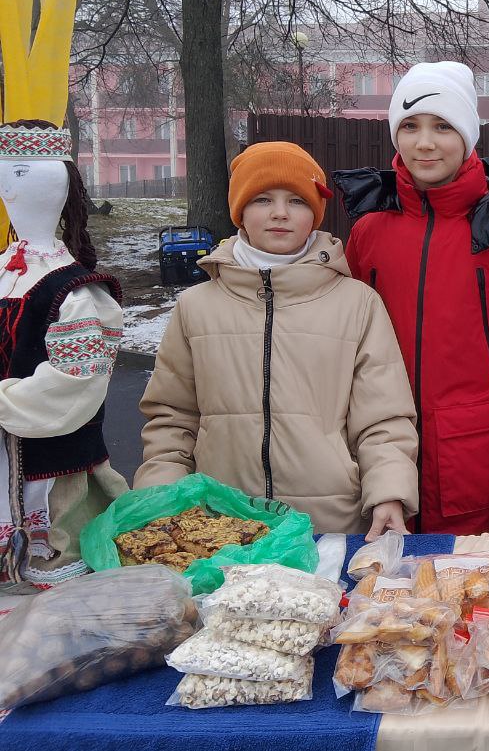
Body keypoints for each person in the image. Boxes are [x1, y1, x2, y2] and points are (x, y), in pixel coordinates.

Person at [136, 142, 419, 539]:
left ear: (315, 213)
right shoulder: (196, 307)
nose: (280, 213)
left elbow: (383, 420)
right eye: (263, 199)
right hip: (219, 527)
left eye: (298, 201)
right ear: (240, 211)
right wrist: (161, 498)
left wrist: (389, 492)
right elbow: (172, 419)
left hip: (330, 525)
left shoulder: (357, 304)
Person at [336, 61, 489, 536]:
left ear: (467, 135)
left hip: (476, 475)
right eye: (410, 126)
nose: (425, 142)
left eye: (442, 126)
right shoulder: (369, 231)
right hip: (380, 467)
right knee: (384, 609)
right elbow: (341, 351)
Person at [0, 121, 128, 584]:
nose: (10, 188)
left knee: (58, 597)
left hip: (53, 470)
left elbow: (77, 382)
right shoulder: (7, 271)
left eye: (22, 174)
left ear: (58, 186)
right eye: (7, 174)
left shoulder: (76, 291)